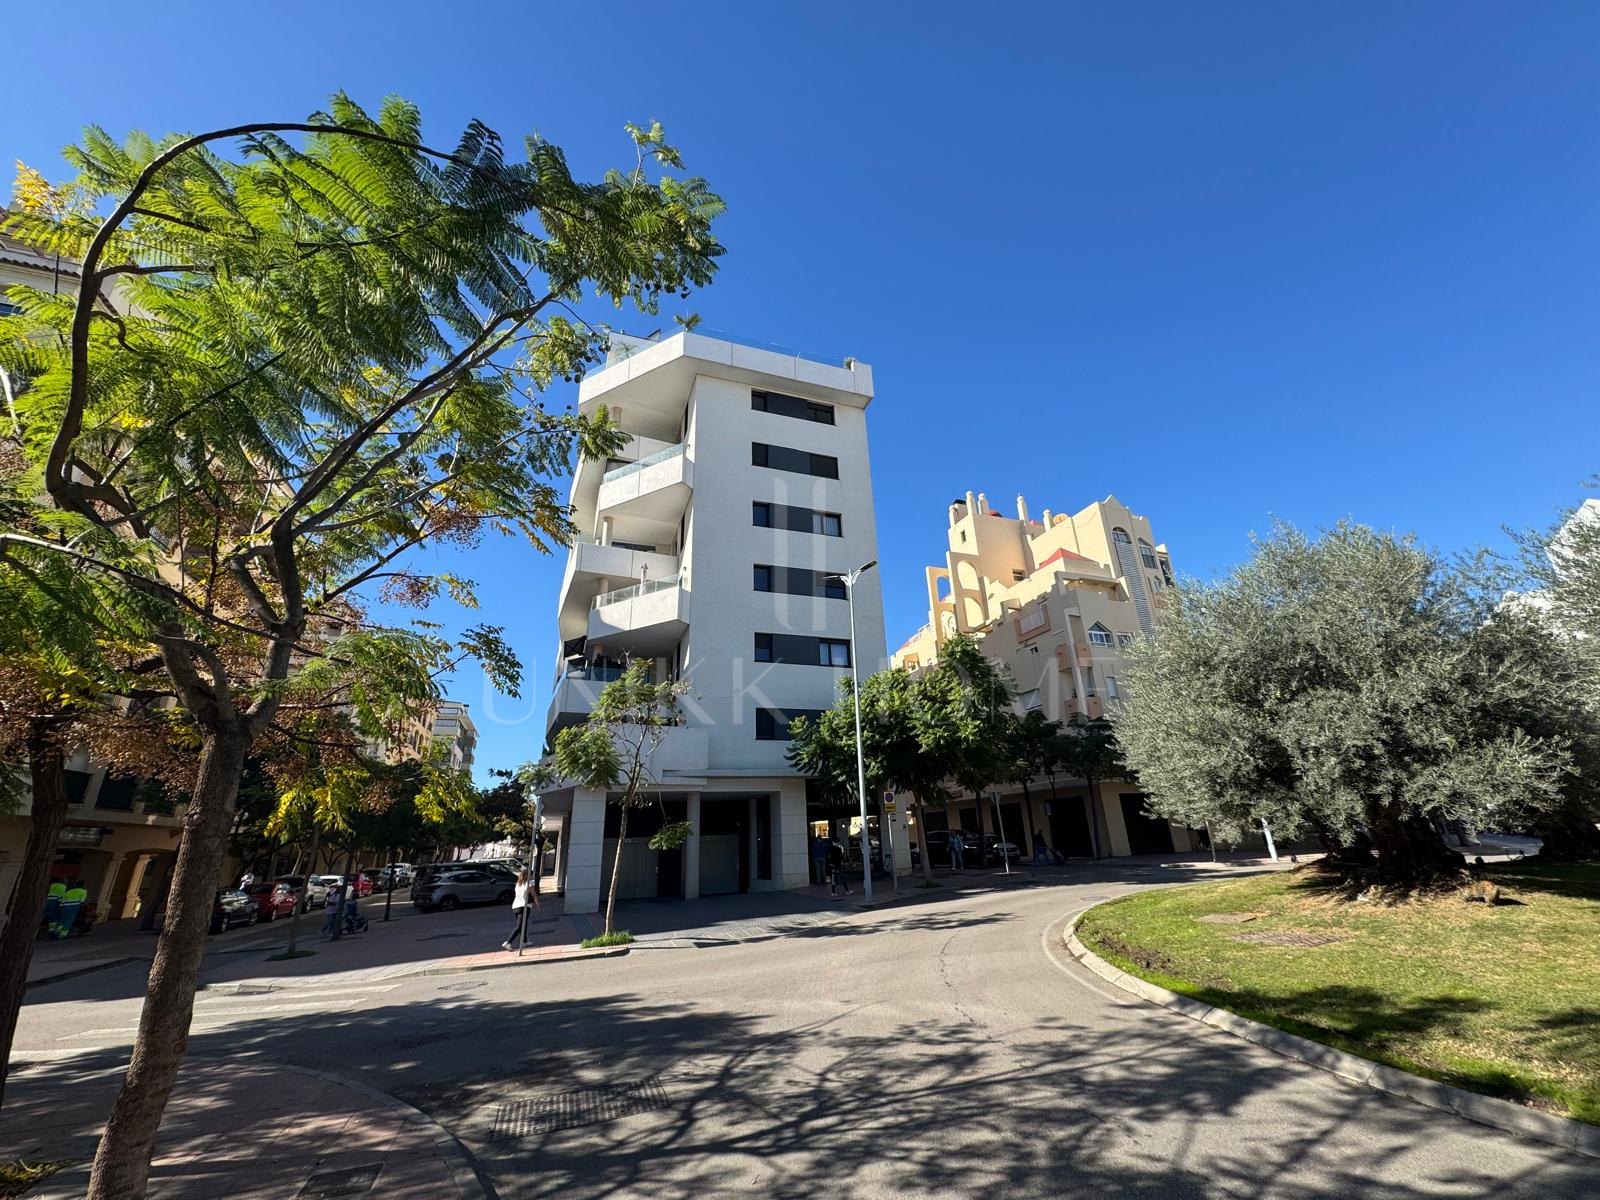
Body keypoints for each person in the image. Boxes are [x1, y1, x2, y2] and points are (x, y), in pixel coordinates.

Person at [501, 868, 537, 951]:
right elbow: (534, 895)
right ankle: (508, 942)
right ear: (528, 875)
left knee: (523, 924)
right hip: (524, 907)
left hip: (515, 907)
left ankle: (524, 941)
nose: (532, 876)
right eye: (531, 875)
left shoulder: (518, 884)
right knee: (520, 926)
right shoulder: (528, 883)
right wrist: (538, 906)